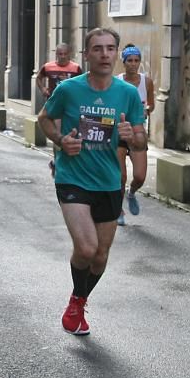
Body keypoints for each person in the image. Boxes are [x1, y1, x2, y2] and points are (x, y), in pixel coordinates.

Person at [37, 27, 147, 335]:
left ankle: (78, 300)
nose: (104, 54)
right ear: (87, 55)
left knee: (100, 256)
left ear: (116, 54)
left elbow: (140, 140)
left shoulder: (127, 94)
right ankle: (76, 304)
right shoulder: (70, 89)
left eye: (110, 48)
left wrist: (132, 136)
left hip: (109, 182)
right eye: (97, 49)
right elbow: (44, 118)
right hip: (73, 178)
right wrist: (61, 141)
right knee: (86, 248)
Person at [115, 44, 155, 225]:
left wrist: (147, 110)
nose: (133, 64)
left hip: (138, 133)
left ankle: (131, 194)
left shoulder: (146, 82)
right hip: (120, 132)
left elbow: (151, 104)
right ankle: (118, 210)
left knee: (139, 176)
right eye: (129, 61)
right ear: (123, 62)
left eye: (136, 60)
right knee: (120, 176)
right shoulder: (116, 82)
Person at [36, 44, 84, 177]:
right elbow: (39, 78)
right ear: (56, 54)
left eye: (65, 54)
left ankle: (60, 161)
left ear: (69, 54)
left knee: (71, 133)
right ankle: (58, 162)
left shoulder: (76, 68)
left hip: (72, 106)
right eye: (60, 54)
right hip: (55, 106)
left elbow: (83, 84)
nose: (62, 57)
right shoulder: (48, 67)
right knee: (58, 134)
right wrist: (43, 90)